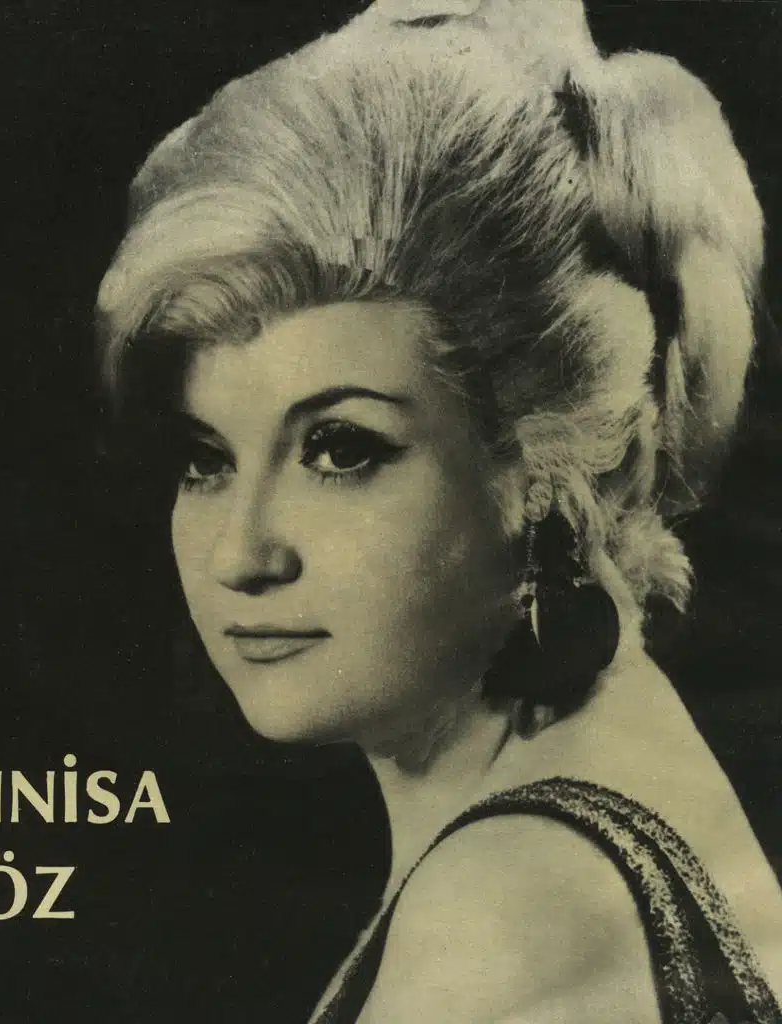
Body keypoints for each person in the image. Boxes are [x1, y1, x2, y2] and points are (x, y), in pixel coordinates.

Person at [96, 1, 782, 1019]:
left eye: (341, 449)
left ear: (575, 472)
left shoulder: (502, 909)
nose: (242, 554)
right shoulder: (612, 783)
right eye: (207, 460)